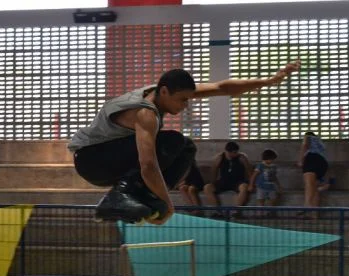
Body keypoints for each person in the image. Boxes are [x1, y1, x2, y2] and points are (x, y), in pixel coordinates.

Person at [68, 60, 301, 225]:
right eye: (182, 100)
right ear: (165, 91)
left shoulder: (161, 92)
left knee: (186, 147)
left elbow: (223, 87)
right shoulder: (145, 114)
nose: (185, 106)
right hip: (91, 160)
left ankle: (136, 196)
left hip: (106, 158)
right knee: (172, 141)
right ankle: (119, 197)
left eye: (189, 99)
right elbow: (148, 165)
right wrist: (168, 204)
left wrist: (270, 81)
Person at [203, 141, 252, 218]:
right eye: (234, 152)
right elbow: (214, 171)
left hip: (238, 182)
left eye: (236, 152)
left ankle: (236, 212)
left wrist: (251, 184)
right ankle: (218, 212)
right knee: (207, 187)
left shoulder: (241, 157)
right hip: (224, 181)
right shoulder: (220, 158)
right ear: (228, 152)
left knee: (244, 187)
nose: (235, 154)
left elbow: (249, 171)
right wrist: (212, 182)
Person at [297, 132, 328, 219]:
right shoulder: (320, 143)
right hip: (322, 163)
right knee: (315, 189)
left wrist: (301, 160)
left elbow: (304, 145)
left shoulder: (308, 137)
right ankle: (314, 215)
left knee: (309, 184)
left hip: (311, 159)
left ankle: (306, 205)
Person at [248, 149, 282, 217]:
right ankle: (259, 214)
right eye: (271, 159)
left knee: (272, 200)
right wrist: (251, 185)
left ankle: (271, 213)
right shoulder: (260, 166)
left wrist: (279, 186)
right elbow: (254, 176)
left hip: (271, 187)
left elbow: (274, 177)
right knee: (260, 200)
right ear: (266, 158)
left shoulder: (273, 167)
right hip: (261, 187)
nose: (272, 161)